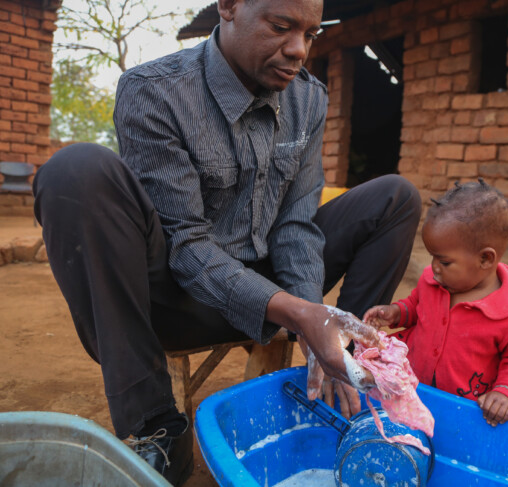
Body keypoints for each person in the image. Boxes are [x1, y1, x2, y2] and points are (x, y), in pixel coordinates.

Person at [32, 0, 420, 485]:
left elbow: (297, 225)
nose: (299, 49)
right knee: (76, 171)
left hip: (270, 284)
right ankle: (155, 427)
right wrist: (299, 311)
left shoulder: (308, 99)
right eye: (281, 27)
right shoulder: (155, 91)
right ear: (230, 6)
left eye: (311, 34)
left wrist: (313, 317)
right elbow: (186, 243)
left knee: (395, 197)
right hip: (178, 295)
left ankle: (347, 363)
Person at [364, 179, 508, 428]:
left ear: (486, 259)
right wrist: (396, 313)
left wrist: (505, 392)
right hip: (410, 392)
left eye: (444, 262)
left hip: (463, 412)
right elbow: (416, 306)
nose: (434, 268)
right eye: (432, 257)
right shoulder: (433, 283)